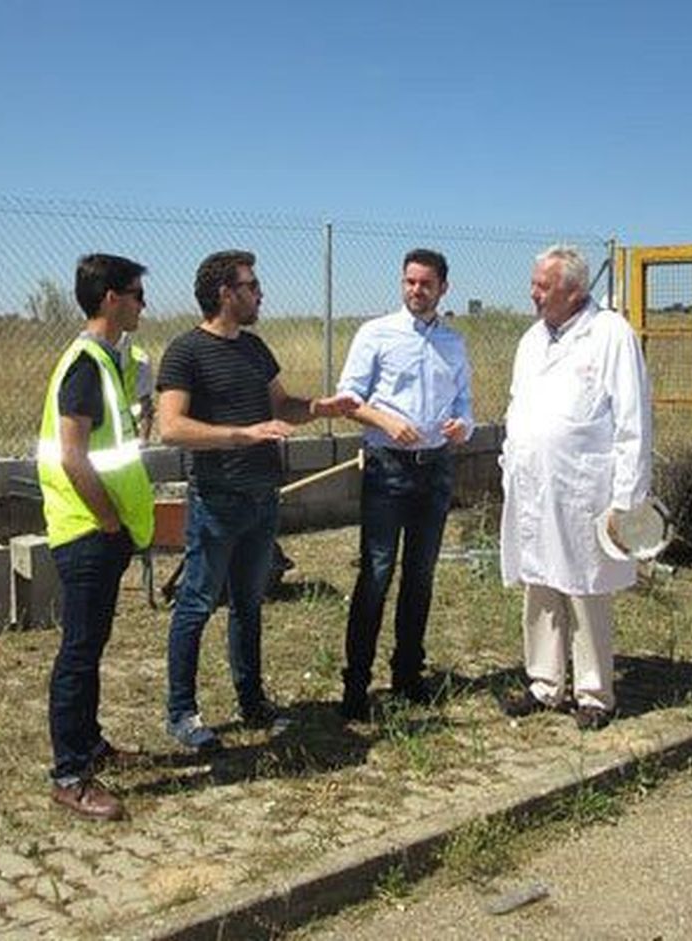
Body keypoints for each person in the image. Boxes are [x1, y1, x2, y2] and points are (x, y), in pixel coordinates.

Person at [157, 249, 356, 748]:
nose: (260, 292)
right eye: (251, 285)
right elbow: (172, 426)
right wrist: (241, 436)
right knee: (196, 604)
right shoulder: (186, 352)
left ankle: (252, 701)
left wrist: (319, 407)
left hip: (262, 499)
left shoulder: (255, 348)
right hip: (217, 500)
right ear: (226, 294)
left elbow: (281, 406)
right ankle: (182, 713)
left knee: (249, 604)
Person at [498, 244, 652, 731]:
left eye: (543, 286)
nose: (533, 293)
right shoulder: (530, 340)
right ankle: (544, 684)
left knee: (587, 586)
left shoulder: (611, 335)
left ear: (574, 290)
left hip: (584, 486)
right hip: (533, 484)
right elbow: (516, 407)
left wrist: (628, 500)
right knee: (540, 582)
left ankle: (594, 693)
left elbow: (633, 421)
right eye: (534, 283)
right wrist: (509, 464)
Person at [37, 253, 155, 820]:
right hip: (87, 529)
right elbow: (73, 455)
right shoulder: (84, 364)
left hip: (105, 528)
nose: (143, 303)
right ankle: (69, 774)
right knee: (79, 652)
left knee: (92, 644)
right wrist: (108, 521)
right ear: (111, 298)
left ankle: (90, 744)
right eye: (136, 293)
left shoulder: (111, 360)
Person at [334, 249, 474, 721]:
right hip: (387, 466)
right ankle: (356, 684)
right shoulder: (375, 334)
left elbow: (465, 405)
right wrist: (386, 422)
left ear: (442, 289)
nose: (416, 291)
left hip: (434, 469)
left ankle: (408, 676)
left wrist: (463, 427)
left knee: (421, 574)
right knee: (376, 572)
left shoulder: (453, 343)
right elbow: (348, 399)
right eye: (409, 282)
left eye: (425, 284)